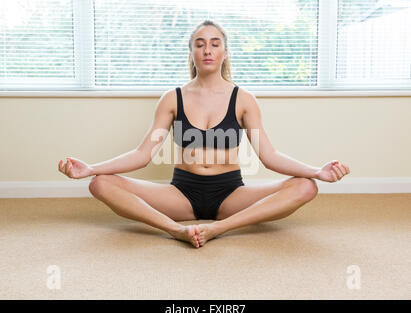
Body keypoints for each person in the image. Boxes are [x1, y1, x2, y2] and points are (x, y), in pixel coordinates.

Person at [58, 20, 350, 249]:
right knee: (100, 185)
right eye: (200, 44)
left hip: (231, 194)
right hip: (180, 195)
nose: (207, 50)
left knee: (306, 187)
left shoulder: (244, 99)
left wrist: (316, 171)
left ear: (224, 52)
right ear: (192, 52)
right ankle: (176, 230)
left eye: (214, 43)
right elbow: (142, 154)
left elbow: (269, 156)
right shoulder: (172, 98)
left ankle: (217, 229)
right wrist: (91, 168)